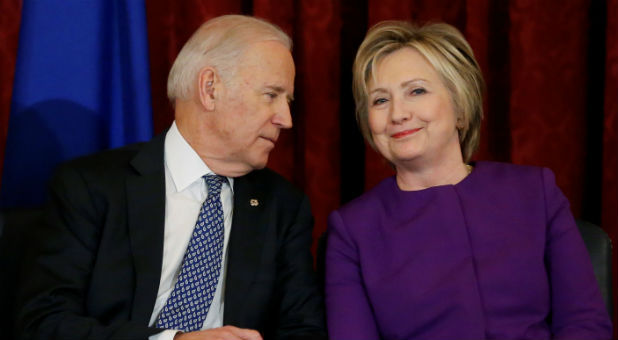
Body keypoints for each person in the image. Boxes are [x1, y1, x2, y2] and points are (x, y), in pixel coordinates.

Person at [17, 15, 326, 340]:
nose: (286, 119)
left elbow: (303, 330)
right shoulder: (90, 187)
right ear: (210, 89)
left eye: (287, 100)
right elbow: (43, 323)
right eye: (271, 95)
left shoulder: (284, 208)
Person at [325, 20, 612, 339]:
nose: (397, 114)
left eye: (416, 91)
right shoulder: (352, 230)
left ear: (460, 106)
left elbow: (584, 323)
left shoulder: (534, 192)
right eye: (379, 100)